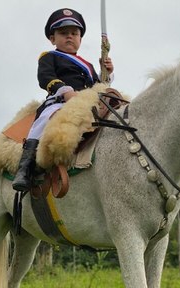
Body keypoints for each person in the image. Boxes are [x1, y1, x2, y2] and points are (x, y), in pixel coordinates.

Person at [13, 8, 114, 191]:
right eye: (63, 33)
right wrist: (65, 92)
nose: (69, 37)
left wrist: (106, 73)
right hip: (59, 101)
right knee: (45, 119)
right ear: (53, 39)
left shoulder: (88, 65)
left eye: (74, 33)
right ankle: (25, 167)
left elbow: (96, 86)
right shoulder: (49, 57)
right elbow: (46, 78)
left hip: (86, 104)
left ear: (80, 39)